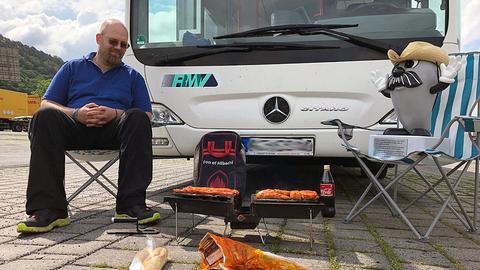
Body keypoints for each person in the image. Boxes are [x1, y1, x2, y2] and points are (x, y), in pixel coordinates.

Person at [17, 19, 159, 233]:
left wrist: (115, 113)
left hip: (115, 132)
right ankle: (49, 210)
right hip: (75, 129)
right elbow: (46, 102)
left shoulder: (133, 76)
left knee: (137, 117)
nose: (119, 48)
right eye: (113, 42)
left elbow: (147, 115)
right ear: (99, 39)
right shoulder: (72, 68)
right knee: (44, 115)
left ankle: (131, 205)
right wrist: (76, 113)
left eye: (124, 45)